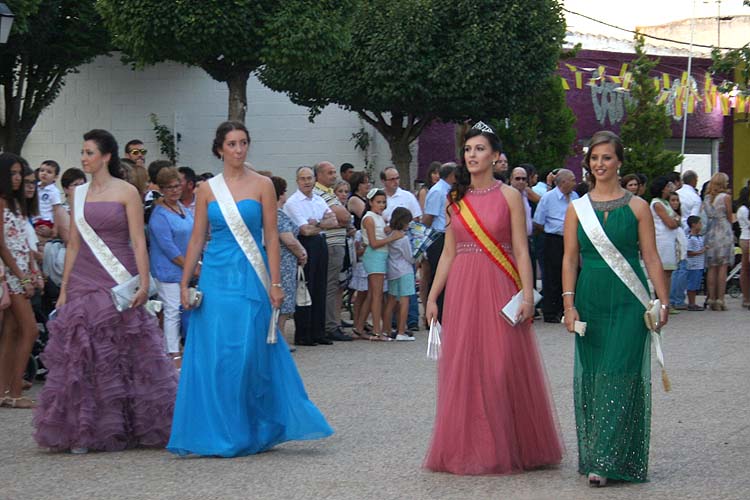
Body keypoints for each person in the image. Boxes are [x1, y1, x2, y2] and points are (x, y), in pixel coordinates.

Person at [168, 121, 333, 457]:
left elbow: (271, 236)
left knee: (247, 354)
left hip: (250, 276)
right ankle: (218, 430)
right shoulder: (207, 189)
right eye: (231, 144)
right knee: (216, 355)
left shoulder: (263, 185)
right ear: (219, 149)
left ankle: (251, 426)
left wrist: (275, 283)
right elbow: (197, 236)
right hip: (215, 277)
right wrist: (186, 281)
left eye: (243, 143)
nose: (239, 150)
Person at [424, 123, 562, 475]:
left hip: (500, 284)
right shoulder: (457, 200)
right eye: (468, 149)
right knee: (465, 367)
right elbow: (448, 254)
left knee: (501, 365)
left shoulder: (510, 196)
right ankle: (470, 447)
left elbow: (520, 248)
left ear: (496, 156)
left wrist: (528, 295)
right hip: (464, 287)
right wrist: (432, 296)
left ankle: (512, 444)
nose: (472, 155)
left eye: (480, 148)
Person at [33, 129, 177, 452]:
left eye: (89, 153)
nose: (84, 158)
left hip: (118, 274)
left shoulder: (127, 191)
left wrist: (143, 280)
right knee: (82, 351)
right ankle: (84, 428)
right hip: (84, 274)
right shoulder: (78, 193)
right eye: (82, 152)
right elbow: (73, 245)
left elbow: (139, 240)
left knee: (125, 348)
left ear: (106, 156)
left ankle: (130, 422)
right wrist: (65, 287)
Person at [562, 130, 669, 486]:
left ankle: (606, 461)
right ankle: (599, 454)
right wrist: (568, 303)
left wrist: (662, 301)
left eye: (607, 158)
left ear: (619, 162)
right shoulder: (576, 209)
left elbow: (651, 258)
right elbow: (569, 258)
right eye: (594, 158)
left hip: (628, 300)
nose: (600, 164)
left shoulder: (638, 207)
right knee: (594, 375)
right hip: (590, 297)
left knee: (618, 373)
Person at [0, 153, 40, 409]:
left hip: (21, 273)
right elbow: (2, 246)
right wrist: (22, 277)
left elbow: (21, 243)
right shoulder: (1, 203)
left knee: (12, 333)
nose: (17, 179)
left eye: (19, 174)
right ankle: (14, 391)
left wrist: (32, 271)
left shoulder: (14, 204)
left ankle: (4, 391)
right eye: (12, 174)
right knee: (31, 329)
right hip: (12, 276)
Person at [148, 167, 195, 366]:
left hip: (186, 267)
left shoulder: (182, 209)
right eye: (169, 188)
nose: (174, 191)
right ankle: (172, 352)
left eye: (177, 186)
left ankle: (180, 347)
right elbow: (169, 248)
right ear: (161, 189)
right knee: (172, 311)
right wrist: (191, 266)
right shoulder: (159, 216)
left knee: (184, 309)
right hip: (167, 271)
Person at [285, 166, 337, 346]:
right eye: (303, 178)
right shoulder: (293, 203)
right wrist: (323, 224)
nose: (307, 182)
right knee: (306, 287)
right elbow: (305, 230)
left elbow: (334, 220)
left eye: (309, 178)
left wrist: (319, 224)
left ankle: (318, 331)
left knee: (320, 287)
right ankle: (303, 334)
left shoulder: (319, 199)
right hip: (305, 245)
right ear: (297, 181)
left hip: (321, 243)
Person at [313, 161, 353, 342]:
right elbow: (345, 216)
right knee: (330, 286)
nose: (334, 176)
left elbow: (344, 218)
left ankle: (332, 322)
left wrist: (343, 218)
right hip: (331, 244)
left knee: (335, 285)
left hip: (337, 242)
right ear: (319, 175)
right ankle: (330, 325)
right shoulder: (319, 194)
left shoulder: (329, 193)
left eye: (334, 172)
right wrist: (343, 218)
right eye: (329, 173)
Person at [533, 168, 578, 323]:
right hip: (553, 239)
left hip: (571, 239)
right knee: (551, 276)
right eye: (572, 179)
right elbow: (538, 221)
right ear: (563, 182)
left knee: (570, 273)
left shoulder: (575, 197)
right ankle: (551, 312)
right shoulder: (548, 198)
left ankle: (566, 308)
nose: (575, 182)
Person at [361, 189, 403, 341]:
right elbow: (373, 243)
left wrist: (390, 229)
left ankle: (359, 327)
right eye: (378, 202)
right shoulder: (369, 218)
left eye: (383, 202)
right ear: (370, 202)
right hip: (375, 256)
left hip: (379, 256)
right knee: (377, 295)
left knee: (373, 294)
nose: (381, 205)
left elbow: (380, 233)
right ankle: (377, 332)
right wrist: (393, 237)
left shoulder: (378, 217)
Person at [271, 176, 308, 341]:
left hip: (284, 262)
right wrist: (302, 252)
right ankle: (280, 338)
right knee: (283, 303)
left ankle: (280, 336)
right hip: (283, 263)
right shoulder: (277, 215)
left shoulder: (275, 214)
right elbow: (288, 239)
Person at [422, 163, 456, 323]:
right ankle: (436, 315)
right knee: (438, 275)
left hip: (449, 235)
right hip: (438, 236)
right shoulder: (437, 191)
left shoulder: (449, 190)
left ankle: (448, 313)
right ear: (451, 175)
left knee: (450, 277)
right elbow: (429, 217)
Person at [702, 172, 735, 311]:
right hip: (723, 231)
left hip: (711, 232)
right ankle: (720, 299)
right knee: (723, 266)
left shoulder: (707, 198)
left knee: (712, 267)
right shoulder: (726, 197)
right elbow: (729, 216)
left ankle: (711, 298)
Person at [383, 207, 415, 341]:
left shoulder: (390, 235)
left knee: (390, 301)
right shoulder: (403, 238)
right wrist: (416, 259)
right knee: (404, 301)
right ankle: (402, 330)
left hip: (393, 270)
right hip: (405, 270)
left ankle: (386, 329)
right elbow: (409, 257)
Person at [671, 170, 702, 310]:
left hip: (674, 232)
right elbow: (693, 219)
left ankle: (673, 298)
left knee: (675, 269)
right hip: (685, 233)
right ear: (694, 181)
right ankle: (678, 299)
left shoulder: (678, 194)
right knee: (682, 269)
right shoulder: (695, 198)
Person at [649, 176, 680, 309]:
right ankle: (661, 302)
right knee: (662, 272)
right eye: (667, 187)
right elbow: (671, 222)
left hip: (669, 240)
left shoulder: (665, 203)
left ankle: (666, 301)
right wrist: (676, 221)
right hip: (662, 240)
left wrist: (676, 220)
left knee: (668, 273)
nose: (669, 189)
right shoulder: (657, 204)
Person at [685, 216, 706, 311]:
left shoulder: (700, 237)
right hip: (693, 265)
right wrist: (701, 251)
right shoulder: (690, 238)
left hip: (700, 265)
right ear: (693, 225)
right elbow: (689, 252)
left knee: (696, 284)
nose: (701, 225)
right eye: (699, 223)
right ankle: (691, 303)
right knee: (692, 285)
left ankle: (693, 302)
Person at [737, 189, 750, 308]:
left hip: (745, 238)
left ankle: (746, 297)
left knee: (745, 269)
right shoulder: (744, 210)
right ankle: (746, 297)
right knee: (746, 268)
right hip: (747, 239)